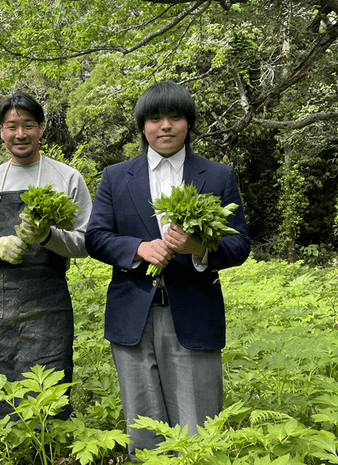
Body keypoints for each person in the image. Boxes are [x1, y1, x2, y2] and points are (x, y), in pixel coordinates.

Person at [85, 81, 250, 459]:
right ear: (142, 126)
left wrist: (198, 248)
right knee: (143, 426)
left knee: (198, 425)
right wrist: (138, 248)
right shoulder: (115, 176)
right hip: (133, 314)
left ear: (188, 124)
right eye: (155, 118)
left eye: (175, 117)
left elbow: (240, 244)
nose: (165, 126)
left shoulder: (218, 176)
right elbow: (95, 237)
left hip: (194, 311)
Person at [0, 91, 92, 423]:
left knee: (49, 379)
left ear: (42, 128)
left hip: (49, 299)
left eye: (28, 125)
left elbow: (87, 242)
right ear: (1, 131)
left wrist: (49, 236)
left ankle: (48, 448)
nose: (20, 134)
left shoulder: (67, 178)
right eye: (11, 126)